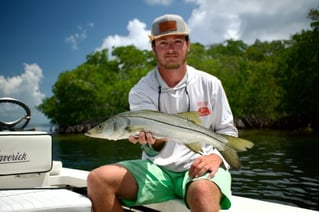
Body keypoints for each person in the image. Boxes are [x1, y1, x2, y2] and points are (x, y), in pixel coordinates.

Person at [87, 14, 238, 212]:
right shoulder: (141, 90)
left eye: (177, 42)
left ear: (188, 45)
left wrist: (218, 157)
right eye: (163, 43)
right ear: (153, 48)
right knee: (98, 179)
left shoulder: (211, 84)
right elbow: (152, 148)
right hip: (155, 170)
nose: (171, 49)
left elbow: (227, 130)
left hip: (201, 164)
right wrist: (152, 142)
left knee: (202, 191)